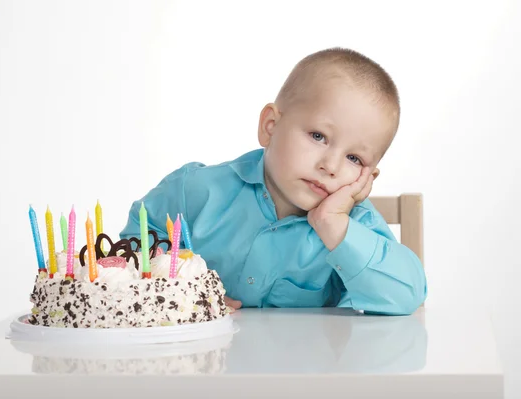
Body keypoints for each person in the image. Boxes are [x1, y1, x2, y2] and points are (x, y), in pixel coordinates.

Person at [119, 47, 427, 315]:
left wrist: (333, 225)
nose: (330, 166)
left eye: (354, 159)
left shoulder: (354, 224)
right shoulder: (197, 190)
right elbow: (135, 241)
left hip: (304, 375)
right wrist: (180, 294)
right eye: (318, 136)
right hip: (206, 367)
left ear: (366, 179)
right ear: (270, 126)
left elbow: (406, 296)